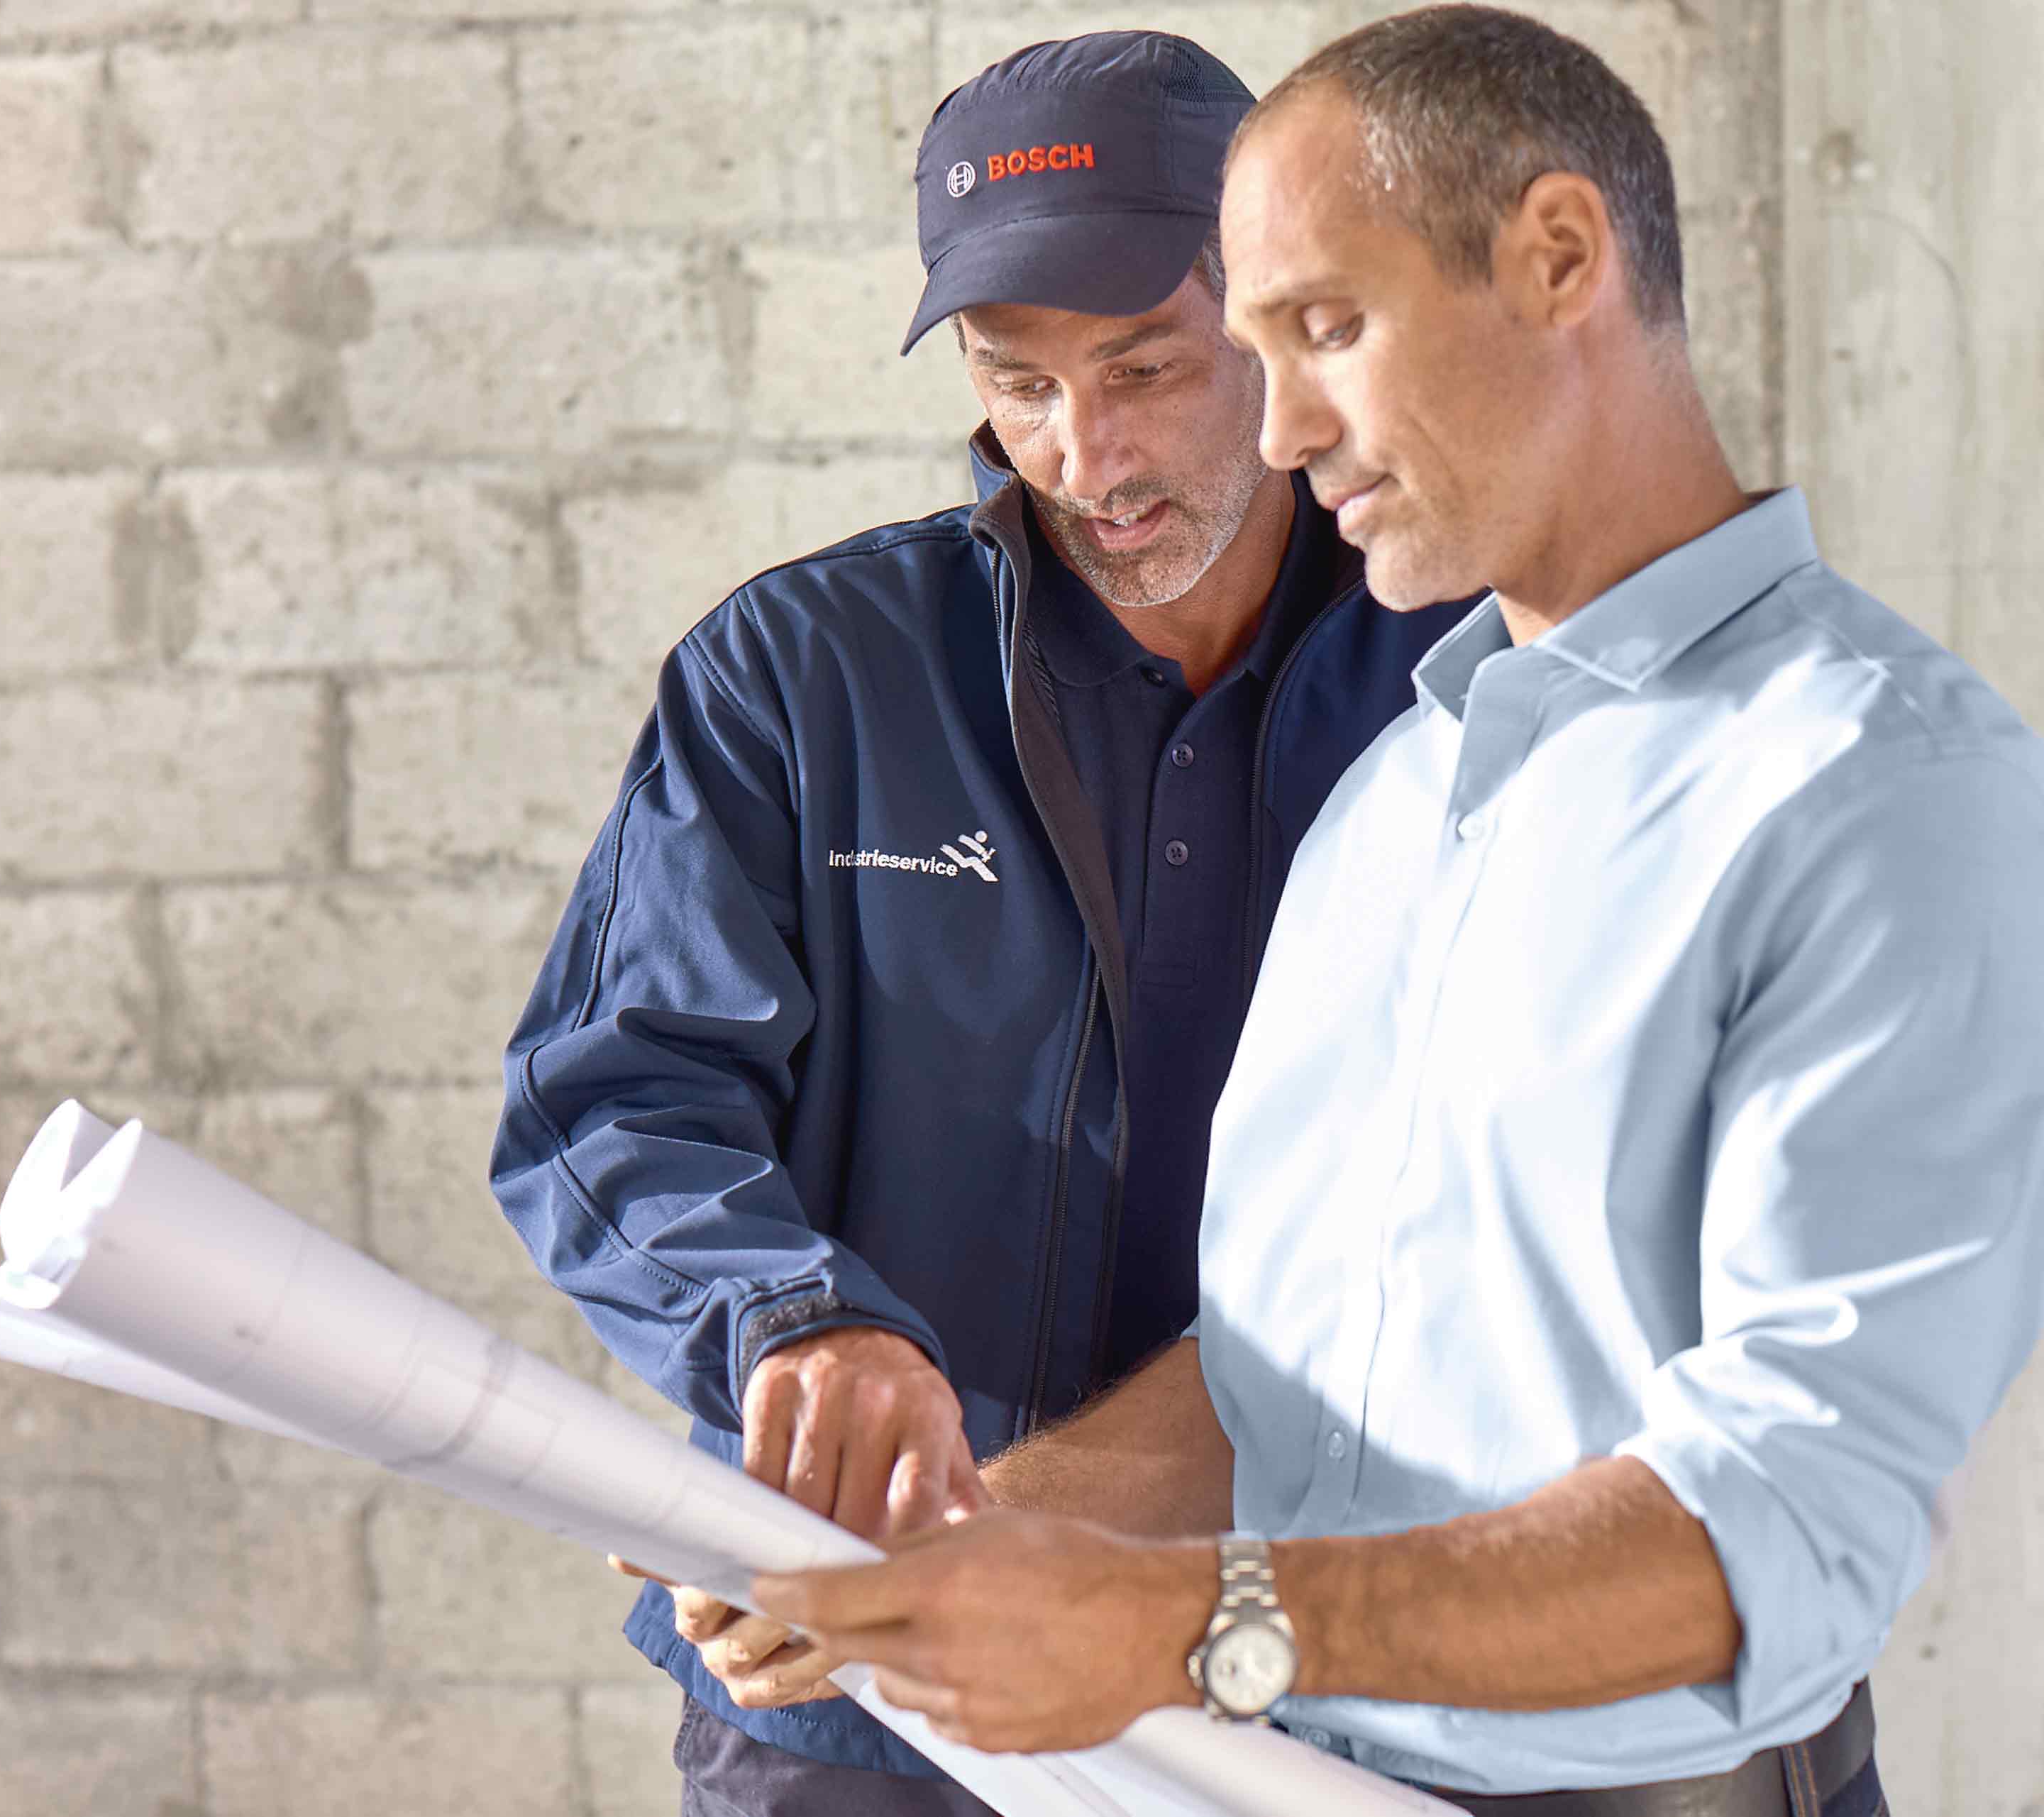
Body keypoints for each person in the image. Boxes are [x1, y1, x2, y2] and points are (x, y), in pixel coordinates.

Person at [742, 9, 2044, 1816]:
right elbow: (1285, 1391)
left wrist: (1189, 1625)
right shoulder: (1401, 797)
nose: (1284, 428)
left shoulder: (1883, 794)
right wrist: (936, 1553)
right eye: (1257, 352)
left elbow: (1783, 1527)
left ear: (1557, 256)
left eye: (1327, 328)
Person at [487, 29, 1475, 1817]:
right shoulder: (802, 677)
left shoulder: (1473, 674)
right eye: (1018, 384)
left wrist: (1015, 1523)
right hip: (867, 1709)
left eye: (1145, 366)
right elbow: (613, 1094)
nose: (1087, 456)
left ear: (1282, 315)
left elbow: (1512, 1202)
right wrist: (796, 1326)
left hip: (1300, 1673)